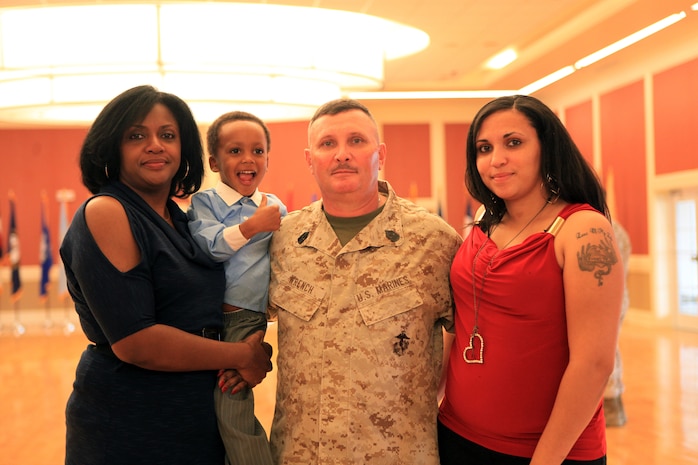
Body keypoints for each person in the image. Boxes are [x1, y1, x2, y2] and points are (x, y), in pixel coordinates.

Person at [59, 85, 272, 465]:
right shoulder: (108, 211)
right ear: (112, 147)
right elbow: (136, 342)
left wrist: (248, 348)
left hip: (194, 417)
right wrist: (241, 354)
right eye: (137, 135)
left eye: (168, 135)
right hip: (131, 424)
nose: (155, 145)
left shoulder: (181, 219)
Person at [265, 98, 463, 464]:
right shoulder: (282, 240)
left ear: (380, 153)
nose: (342, 154)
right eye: (328, 144)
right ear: (310, 160)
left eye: (356, 141)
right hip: (300, 454)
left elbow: (472, 341)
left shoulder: (434, 241)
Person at [438, 95, 624, 465]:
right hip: (456, 435)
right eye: (484, 148)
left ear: (547, 149)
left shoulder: (583, 229)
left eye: (514, 142)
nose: (497, 159)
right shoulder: (482, 220)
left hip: (546, 453)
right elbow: (456, 327)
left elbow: (594, 363)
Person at [187, 111, 287, 465]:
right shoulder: (204, 204)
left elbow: (287, 265)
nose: (248, 159)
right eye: (235, 151)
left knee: (233, 411)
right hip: (204, 323)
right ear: (214, 161)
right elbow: (208, 247)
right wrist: (251, 228)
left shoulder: (275, 208)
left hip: (245, 322)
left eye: (258, 151)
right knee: (209, 413)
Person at [603, 220, 631, 427]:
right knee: (612, 349)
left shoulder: (603, 228)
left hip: (609, 299)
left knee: (607, 350)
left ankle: (611, 406)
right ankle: (615, 406)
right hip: (619, 297)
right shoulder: (618, 229)